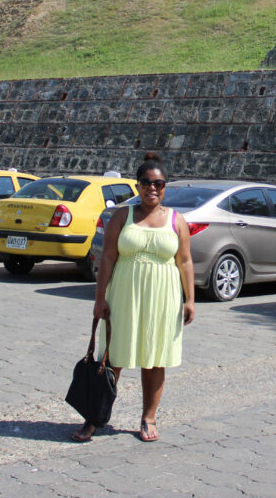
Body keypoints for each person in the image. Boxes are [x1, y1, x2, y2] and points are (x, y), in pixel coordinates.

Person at [73, 151, 195, 442]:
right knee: (112, 357)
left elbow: (185, 261)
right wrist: (99, 299)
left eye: (158, 183)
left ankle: (148, 418)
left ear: (165, 187)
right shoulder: (121, 216)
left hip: (163, 297)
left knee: (155, 358)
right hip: (124, 295)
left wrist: (190, 299)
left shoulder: (177, 220)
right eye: (146, 182)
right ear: (138, 185)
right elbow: (107, 258)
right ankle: (94, 418)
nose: (152, 188)